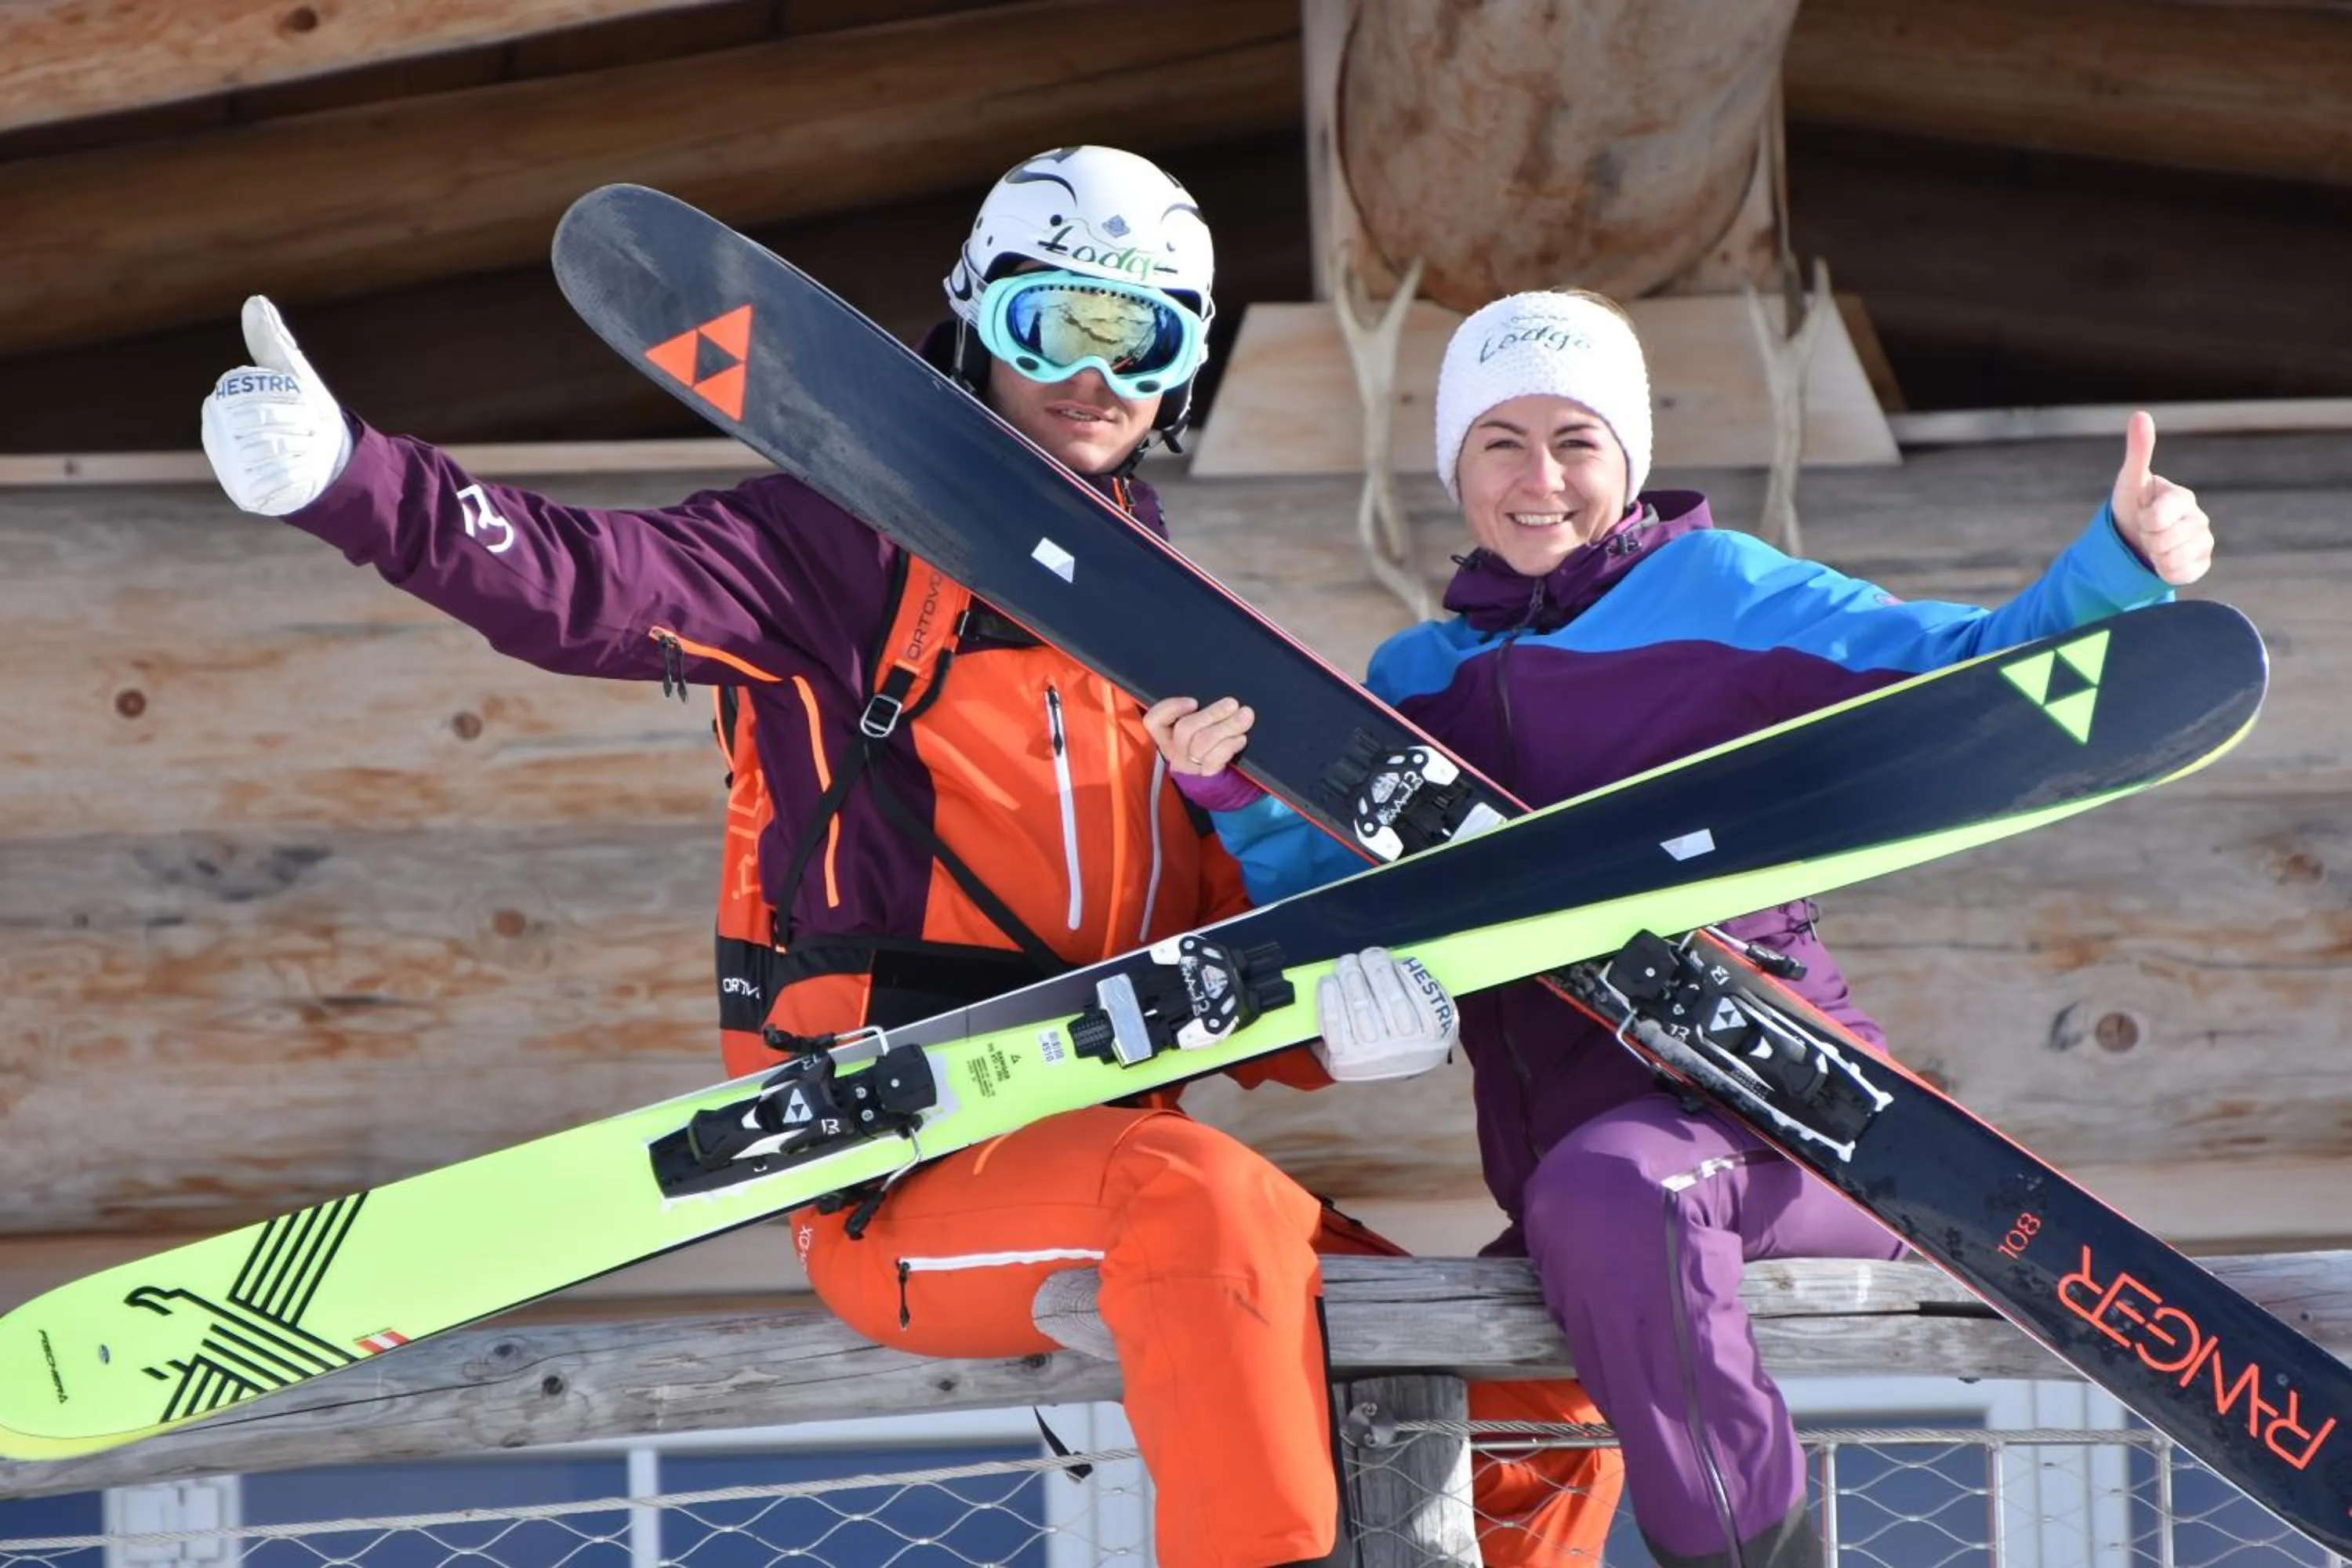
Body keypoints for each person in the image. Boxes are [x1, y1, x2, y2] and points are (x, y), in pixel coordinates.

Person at [198, 151, 1621, 1568]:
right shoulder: (838, 554)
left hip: (1121, 1150)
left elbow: (1227, 934)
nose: (1095, 376)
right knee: (1199, 1189)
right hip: (898, 1162)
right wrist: (354, 481)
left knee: (1546, 1408)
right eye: (1052, 322)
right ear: (976, 318)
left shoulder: (1179, 640)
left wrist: (1347, 1025)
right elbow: (587, 586)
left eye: (1145, 339)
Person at [1146, 287, 2216, 1568]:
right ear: (1456, 467)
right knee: (1428, 1372)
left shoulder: (1725, 595)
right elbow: (1315, 893)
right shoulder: (1416, 680)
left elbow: (1972, 679)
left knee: (1614, 1197)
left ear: (1629, 457)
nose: (1540, 478)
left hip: (1792, 1120)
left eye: (1576, 440)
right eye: (1501, 442)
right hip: (1571, 1178)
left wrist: (2117, 567)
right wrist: (1225, 788)